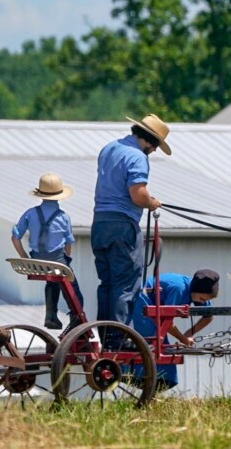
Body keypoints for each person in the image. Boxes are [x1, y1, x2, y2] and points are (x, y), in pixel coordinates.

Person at [91, 114, 170, 346]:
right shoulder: (137, 156)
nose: (154, 151)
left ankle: (105, 333)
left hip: (100, 223)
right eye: (155, 146)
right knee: (125, 283)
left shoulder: (109, 148)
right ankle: (117, 337)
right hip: (122, 225)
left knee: (106, 283)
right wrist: (152, 202)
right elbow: (137, 194)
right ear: (149, 140)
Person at [11, 172, 85, 330]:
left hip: (37, 261)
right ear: (59, 196)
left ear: (40, 195)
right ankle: (76, 318)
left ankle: (50, 315)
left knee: (53, 280)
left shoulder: (30, 213)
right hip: (58, 261)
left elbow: (15, 237)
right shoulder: (64, 217)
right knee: (72, 286)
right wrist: (66, 258)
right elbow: (69, 243)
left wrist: (24, 256)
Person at [129, 269, 220, 390]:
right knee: (153, 345)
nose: (202, 302)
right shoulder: (179, 289)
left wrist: (189, 334)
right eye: (202, 299)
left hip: (155, 304)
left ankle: (155, 385)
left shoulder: (196, 291)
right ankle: (140, 378)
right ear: (197, 290)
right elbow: (166, 322)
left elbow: (208, 316)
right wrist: (184, 339)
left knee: (161, 346)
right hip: (143, 299)